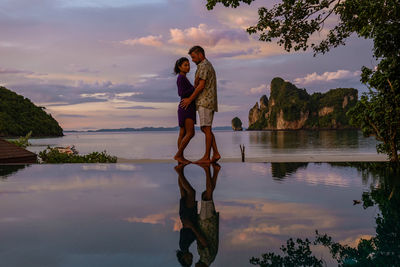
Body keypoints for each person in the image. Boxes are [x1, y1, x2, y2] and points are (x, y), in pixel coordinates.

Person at [180, 46, 221, 164]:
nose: (192, 60)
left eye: (193, 57)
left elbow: (201, 86)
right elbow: (197, 84)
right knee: (205, 128)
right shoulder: (205, 66)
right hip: (206, 101)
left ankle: (207, 156)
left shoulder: (203, 65)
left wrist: (189, 100)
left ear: (200, 54)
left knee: (206, 128)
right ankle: (216, 153)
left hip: (205, 101)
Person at [175, 164, 208, 267]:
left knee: (191, 192)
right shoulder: (184, 246)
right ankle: (180, 166)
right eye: (191, 260)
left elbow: (187, 227)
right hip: (185, 215)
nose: (191, 258)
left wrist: (192, 227)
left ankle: (179, 171)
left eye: (188, 260)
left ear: (183, 258)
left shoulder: (184, 246)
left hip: (188, 216)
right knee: (183, 191)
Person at [195, 163, 220, 267]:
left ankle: (216, 171)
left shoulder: (210, 259)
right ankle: (207, 169)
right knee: (207, 197)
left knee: (206, 195)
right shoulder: (206, 259)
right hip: (207, 223)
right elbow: (203, 242)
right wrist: (193, 228)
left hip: (210, 222)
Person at [174, 57, 197, 165]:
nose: (188, 67)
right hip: (186, 107)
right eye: (185, 65)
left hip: (185, 107)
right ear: (180, 67)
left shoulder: (183, 77)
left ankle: (180, 158)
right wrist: (195, 88)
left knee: (183, 133)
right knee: (190, 133)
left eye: (188, 65)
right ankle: (179, 155)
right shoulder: (181, 78)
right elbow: (181, 93)